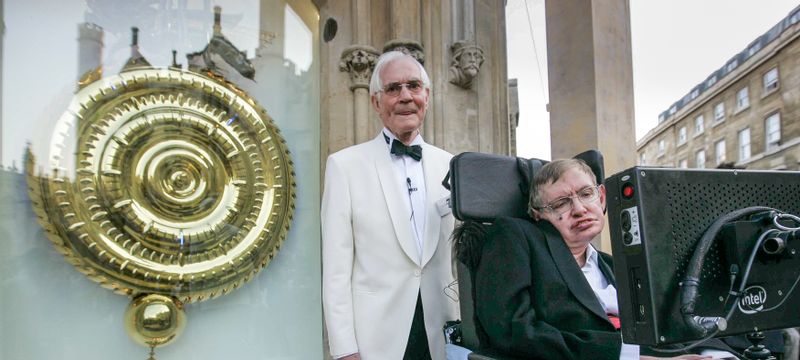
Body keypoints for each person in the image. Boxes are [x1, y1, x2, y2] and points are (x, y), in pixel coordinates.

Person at [474, 158, 734, 360]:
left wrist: (716, 353)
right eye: (562, 203)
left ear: (601, 197)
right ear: (539, 215)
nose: (579, 209)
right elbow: (510, 329)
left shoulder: (615, 266)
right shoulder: (517, 236)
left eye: (586, 194)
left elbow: (671, 319)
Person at [321, 51, 459, 360]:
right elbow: (335, 271)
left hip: (442, 335)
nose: (405, 96)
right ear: (376, 102)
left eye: (413, 86)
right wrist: (345, 348)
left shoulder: (451, 164)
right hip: (376, 340)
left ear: (427, 95)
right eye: (393, 88)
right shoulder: (344, 166)